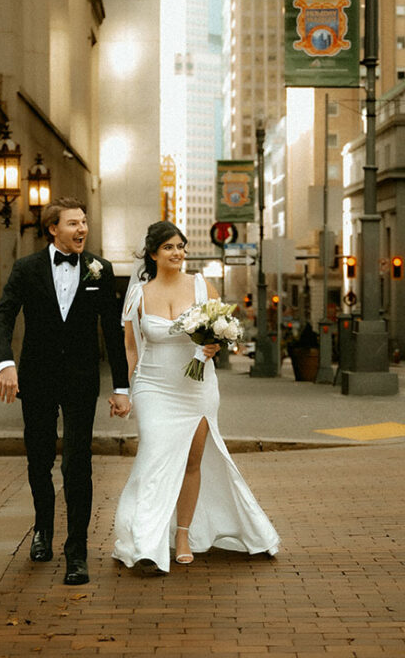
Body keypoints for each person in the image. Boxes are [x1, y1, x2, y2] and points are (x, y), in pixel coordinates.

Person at [112, 220, 279, 572]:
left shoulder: (203, 286)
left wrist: (215, 345)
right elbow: (130, 349)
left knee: (192, 460)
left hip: (197, 386)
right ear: (154, 253)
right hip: (154, 387)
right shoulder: (139, 294)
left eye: (181, 246)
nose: (178, 253)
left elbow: (223, 330)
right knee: (154, 457)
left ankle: (183, 535)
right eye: (170, 247)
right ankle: (145, 540)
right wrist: (124, 390)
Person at [0, 196, 130, 586]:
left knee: (76, 464)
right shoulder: (27, 268)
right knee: (39, 459)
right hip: (36, 377)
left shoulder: (100, 271)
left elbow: (113, 332)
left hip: (81, 380)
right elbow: (3, 315)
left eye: (84, 222)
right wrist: (5, 363)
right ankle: (42, 529)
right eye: (73, 223)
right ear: (53, 228)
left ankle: (77, 552)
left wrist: (121, 386)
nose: (82, 229)